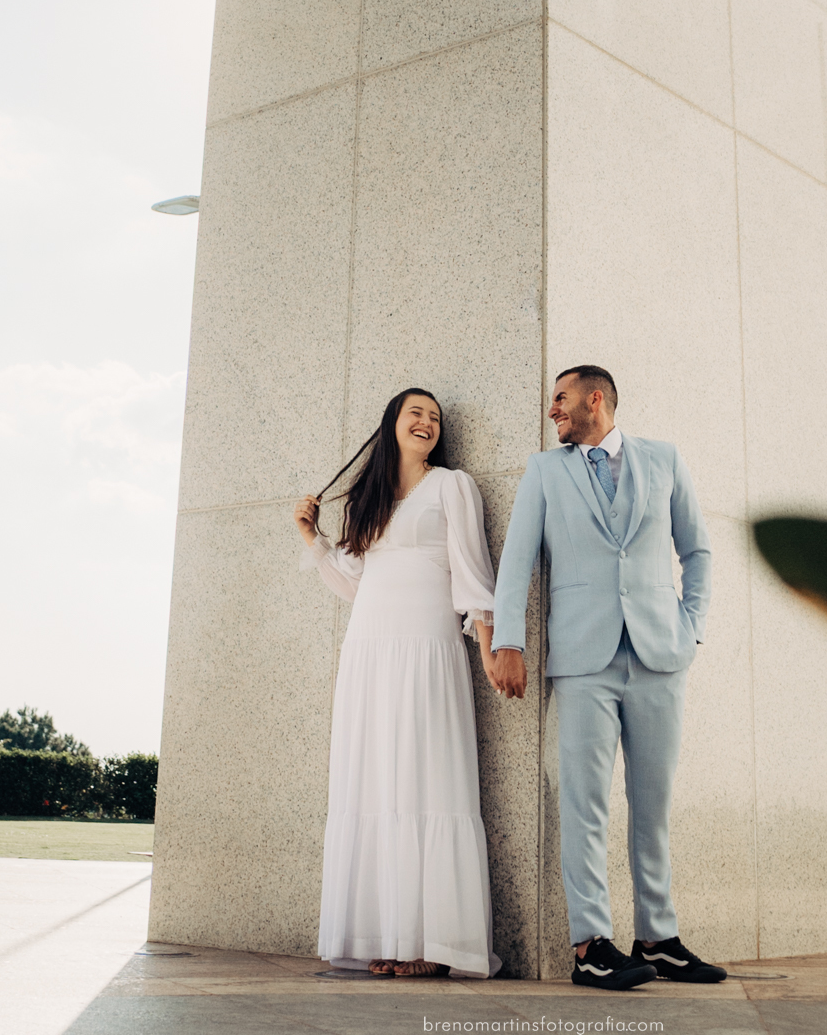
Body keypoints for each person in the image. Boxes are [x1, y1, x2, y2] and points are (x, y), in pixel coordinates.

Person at [491, 366, 724, 992]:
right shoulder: (545, 471)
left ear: (596, 399)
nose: (552, 411)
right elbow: (517, 562)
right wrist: (506, 639)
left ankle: (660, 937)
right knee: (584, 805)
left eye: (560, 399)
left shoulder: (664, 459)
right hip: (583, 660)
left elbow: (697, 551)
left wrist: (690, 627)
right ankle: (591, 945)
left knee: (654, 805)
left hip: (658, 656)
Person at [294, 387, 501, 979]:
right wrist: (312, 537)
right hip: (369, 652)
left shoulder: (451, 486)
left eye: (434, 417)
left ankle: (432, 942)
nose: (427, 422)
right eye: (416, 413)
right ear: (392, 424)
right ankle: (390, 932)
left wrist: (489, 649)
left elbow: (473, 573)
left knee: (424, 779)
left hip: (428, 649)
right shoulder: (370, 500)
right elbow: (354, 582)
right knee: (378, 784)